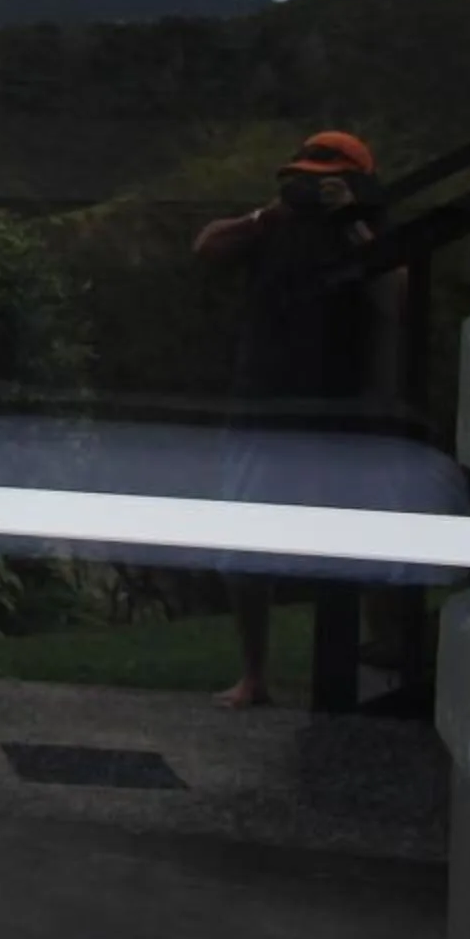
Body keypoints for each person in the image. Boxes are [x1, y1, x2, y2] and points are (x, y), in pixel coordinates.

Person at [192, 131, 391, 709]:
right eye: (303, 178)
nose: (310, 189)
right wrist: (270, 214)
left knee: (366, 537)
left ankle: (387, 653)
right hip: (264, 403)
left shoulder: (371, 232)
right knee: (245, 544)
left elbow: (395, 295)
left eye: (324, 179)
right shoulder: (272, 229)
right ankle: (254, 673)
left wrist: (351, 221)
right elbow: (206, 247)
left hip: (342, 409)